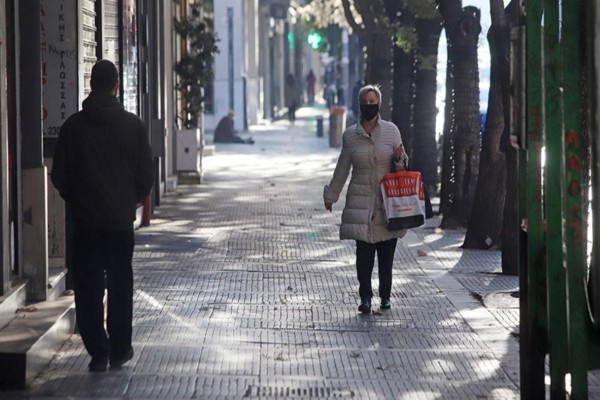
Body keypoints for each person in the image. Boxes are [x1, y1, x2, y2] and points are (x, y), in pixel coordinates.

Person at [51, 60, 154, 372]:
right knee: (121, 285)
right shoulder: (134, 127)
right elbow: (146, 176)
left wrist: (79, 202)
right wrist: (127, 202)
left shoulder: (73, 128)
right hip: (120, 225)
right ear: (117, 85)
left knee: (88, 288)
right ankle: (121, 349)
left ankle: (98, 350)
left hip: (86, 225)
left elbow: (60, 176)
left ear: (90, 84)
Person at [323, 84, 408, 314]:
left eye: (373, 102)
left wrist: (400, 160)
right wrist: (331, 194)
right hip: (361, 203)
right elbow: (342, 169)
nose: (369, 106)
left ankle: (386, 297)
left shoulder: (391, 131)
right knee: (364, 256)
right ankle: (365, 297)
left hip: (387, 204)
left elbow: (401, 170)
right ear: (360, 104)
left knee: (386, 255)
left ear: (379, 104)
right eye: (366, 102)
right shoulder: (350, 135)